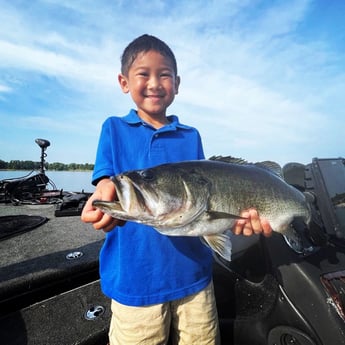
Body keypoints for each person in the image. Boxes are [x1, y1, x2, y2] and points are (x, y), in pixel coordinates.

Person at [81, 34, 272, 345]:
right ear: (124, 82)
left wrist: (235, 221)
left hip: (195, 278)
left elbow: (206, 195)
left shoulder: (190, 135)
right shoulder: (114, 129)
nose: (155, 83)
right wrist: (104, 191)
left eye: (164, 74)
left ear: (177, 83)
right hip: (135, 283)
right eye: (143, 74)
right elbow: (106, 181)